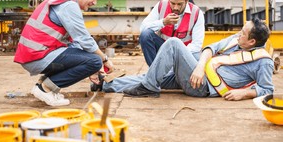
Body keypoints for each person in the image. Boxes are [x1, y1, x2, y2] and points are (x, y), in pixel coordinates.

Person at [103, 18, 274, 101]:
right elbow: (210, 49)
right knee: (149, 77)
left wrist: (244, 93)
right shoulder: (235, 39)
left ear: (252, 42)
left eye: (243, 33)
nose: (239, 34)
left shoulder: (263, 62)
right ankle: (105, 86)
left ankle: (149, 87)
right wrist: (199, 67)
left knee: (174, 44)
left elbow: (267, 90)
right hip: (196, 73)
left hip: (203, 87)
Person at [14, 0, 114, 106]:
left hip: (37, 54)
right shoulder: (68, 5)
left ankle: (42, 86)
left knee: (91, 60)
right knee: (95, 60)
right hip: (38, 56)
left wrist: (93, 68)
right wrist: (104, 60)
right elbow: (84, 39)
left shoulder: (63, 0)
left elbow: (76, 42)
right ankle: (46, 88)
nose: (94, 2)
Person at [139, 0, 205, 66]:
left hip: (184, 52)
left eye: (179, 4)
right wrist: (163, 22)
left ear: (186, 0)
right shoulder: (161, 6)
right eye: (173, 3)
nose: (176, 8)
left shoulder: (196, 13)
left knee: (197, 57)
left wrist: (177, 54)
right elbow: (142, 28)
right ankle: (154, 73)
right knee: (146, 35)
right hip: (163, 48)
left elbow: (197, 45)